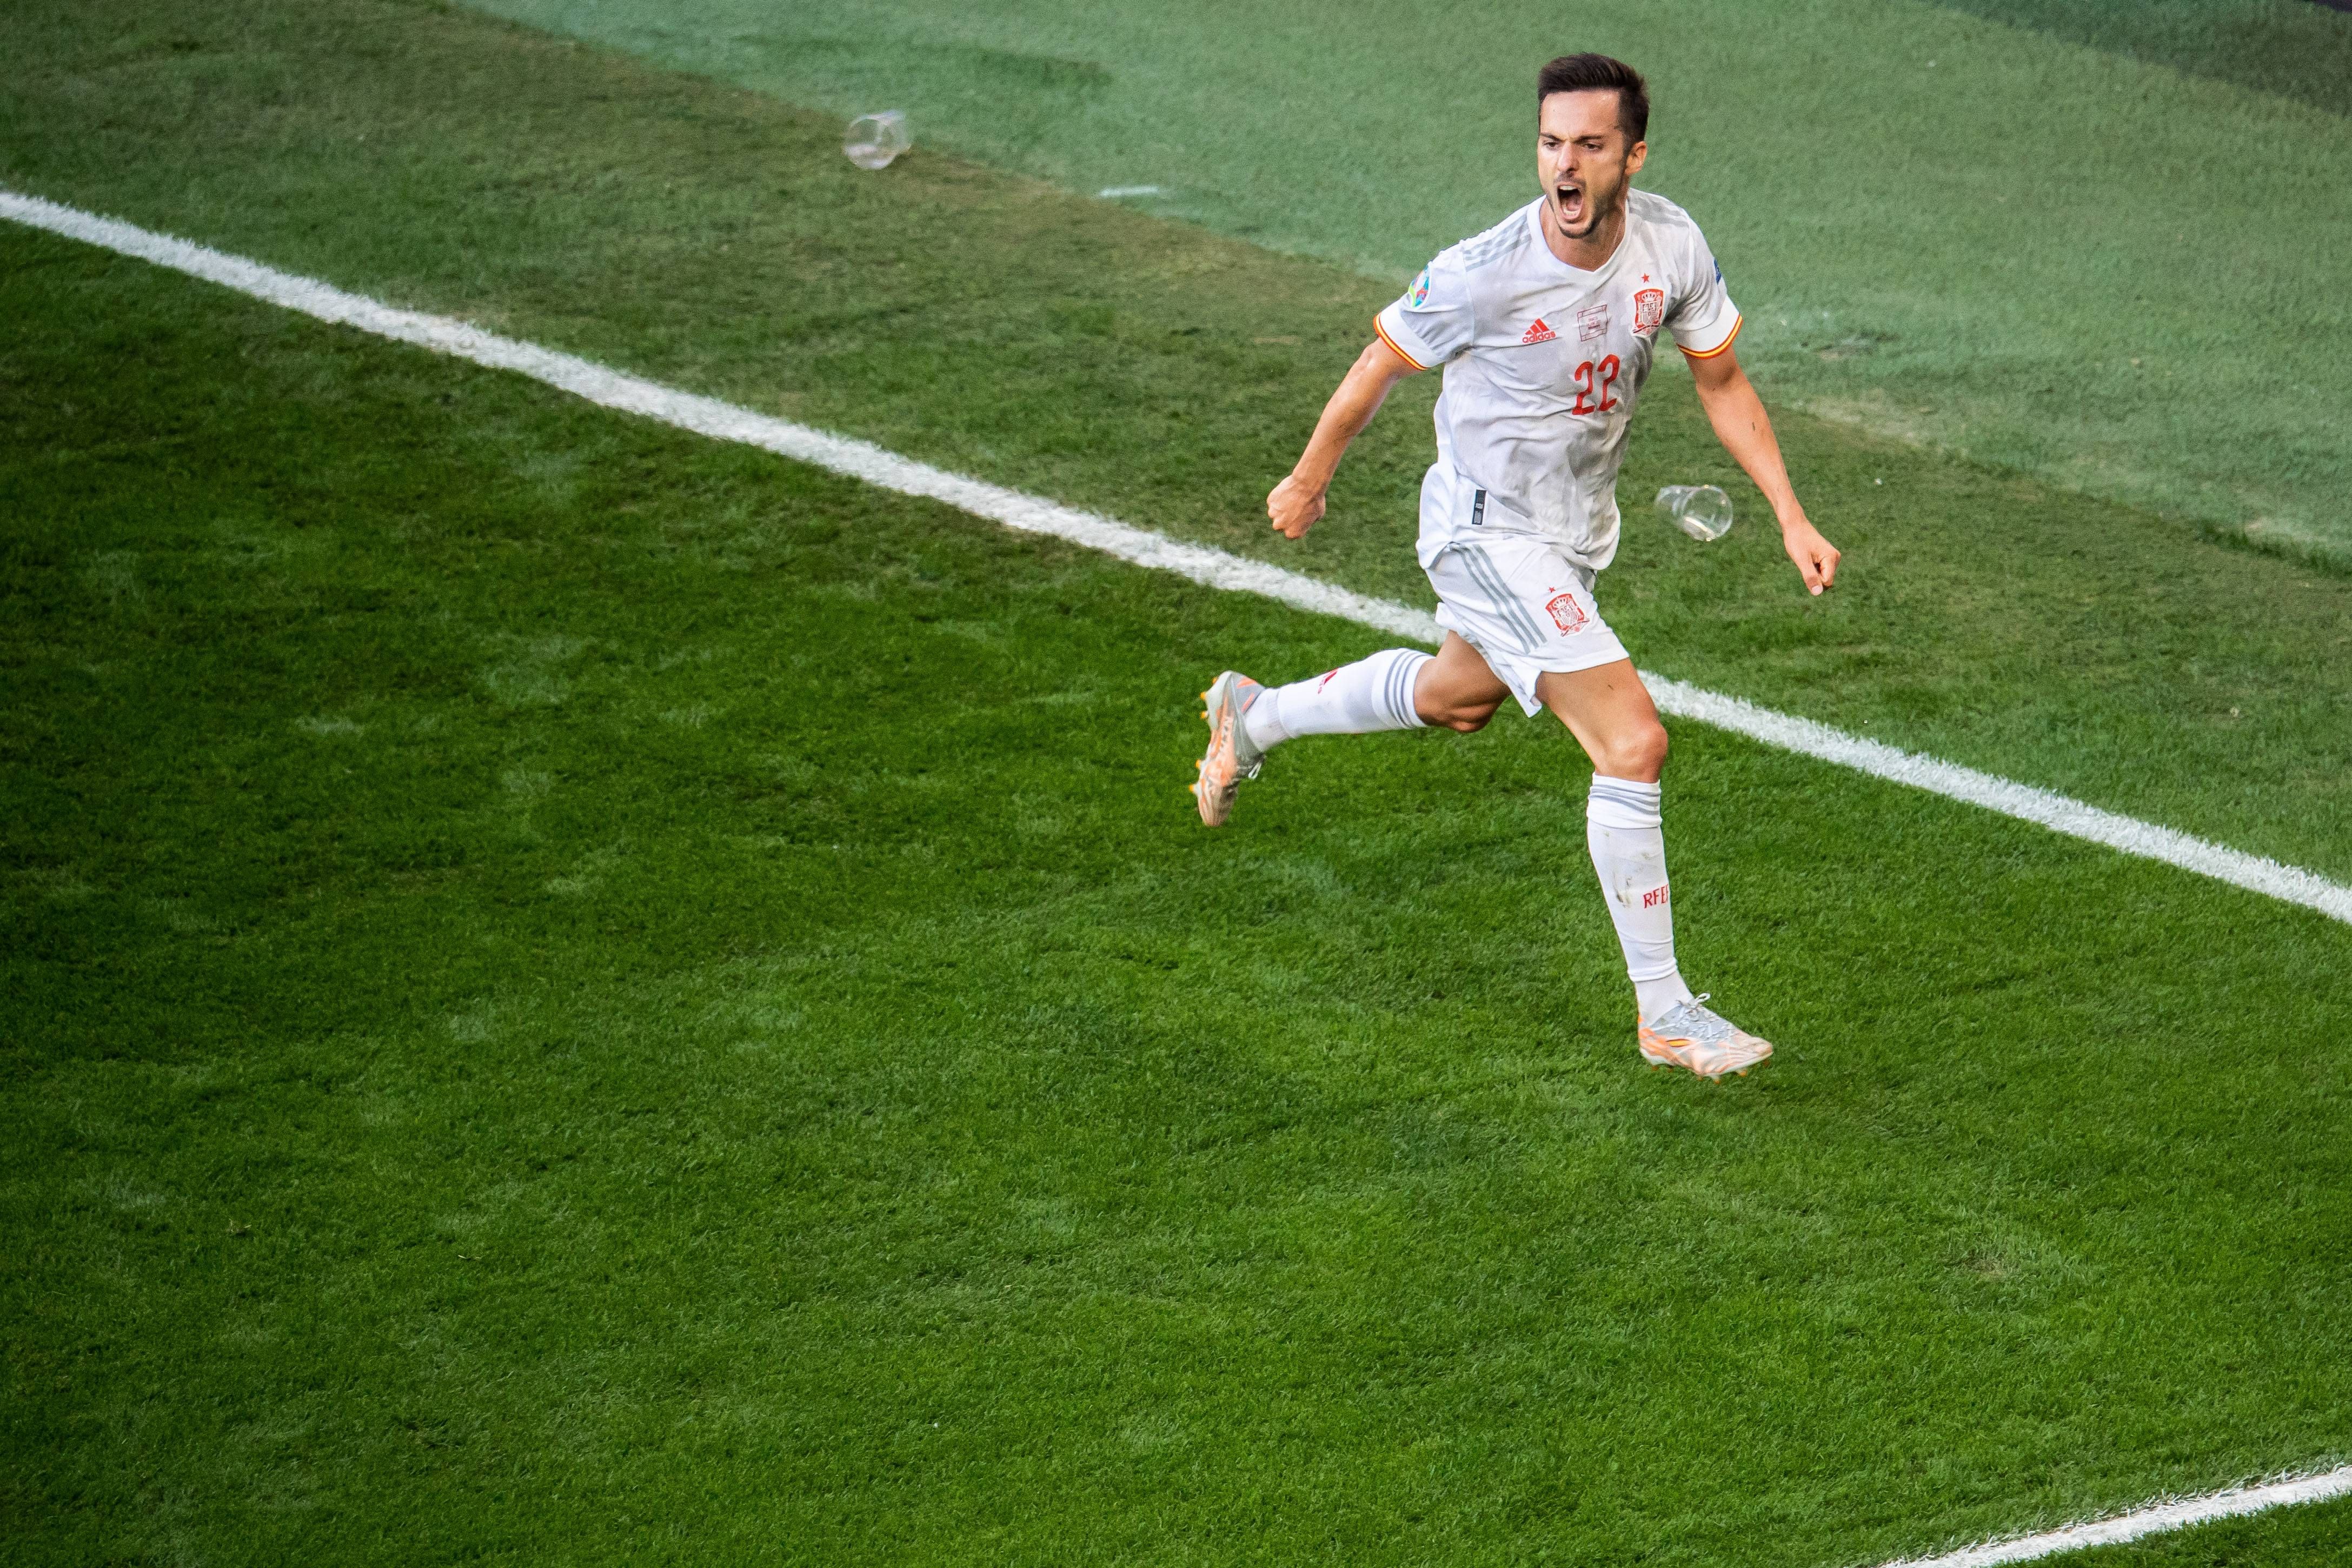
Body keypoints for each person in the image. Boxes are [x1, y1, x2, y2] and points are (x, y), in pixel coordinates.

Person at [1191, 52, 1840, 1081]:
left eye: (1588, 145)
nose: (1565, 167)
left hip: (1575, 534)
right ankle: (1665, 1012)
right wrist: (1308, 479)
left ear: (1632, 155)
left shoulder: (1671, 244)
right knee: (1632, 742)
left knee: (1458, 697)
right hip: (1485, 530)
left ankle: (1253, 715)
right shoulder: (1482, 270)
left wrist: (1790, 515)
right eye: (1550, 145)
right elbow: (1377, 368)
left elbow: (1721, 380)